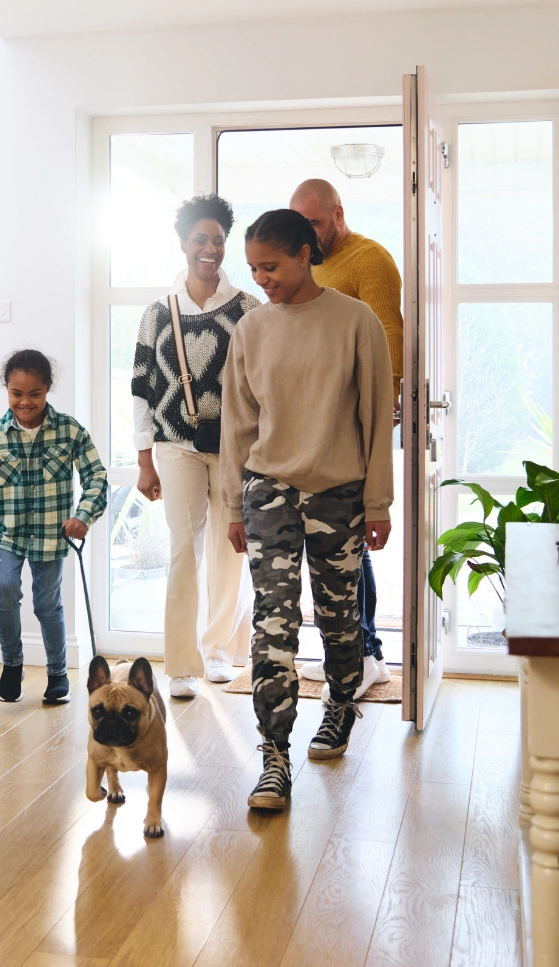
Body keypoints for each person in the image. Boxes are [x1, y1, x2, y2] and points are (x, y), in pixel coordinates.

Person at [222, 209, 395, 810]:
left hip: (339, 491)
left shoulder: (356, 322)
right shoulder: (250, 330)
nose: (261, 279)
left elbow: (376, 418)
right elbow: (238, 425)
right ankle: (274, 757)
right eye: (253, 268)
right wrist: (234, 505)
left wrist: (378, 502)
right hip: (268, 488)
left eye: (270, 266)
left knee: (338, 616)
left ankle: (341, 704)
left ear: (304, 254)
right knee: (273, 621)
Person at [130, 195, 264, 700]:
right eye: (200, 240)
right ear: (183, 244)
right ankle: (182, 665)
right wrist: (144, 460)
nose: (210, 249)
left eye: (218, 241)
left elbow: (262, 382)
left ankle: (219, 651)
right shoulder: (156, 314)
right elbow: (141, 389)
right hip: (175, 445)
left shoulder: (249, 308)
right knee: (183, 549)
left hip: (233, 448)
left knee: (230, 550)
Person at [289, 178, 403, 695]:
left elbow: (389, 339)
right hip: (315, 428)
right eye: (300, 223)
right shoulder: (305, 264)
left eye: (314, 222)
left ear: (338, 213)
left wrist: (380, 410)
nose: (307, 233)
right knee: (334, 549)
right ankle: (351, 651)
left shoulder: (369, 260)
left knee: (353, 545)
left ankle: (368, 653)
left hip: (353, 427)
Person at [0, 350, 108, 706]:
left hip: (50, 536)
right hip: (6, 534)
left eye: (35, 394)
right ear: (6, 389)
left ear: (47, 389)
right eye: (16, 394)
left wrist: (83, 516)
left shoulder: (70, 431)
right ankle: (12, 665)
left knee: (47, 604)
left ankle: (58, 674)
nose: (25, 402)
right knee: (4, 590)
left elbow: (96, 476)